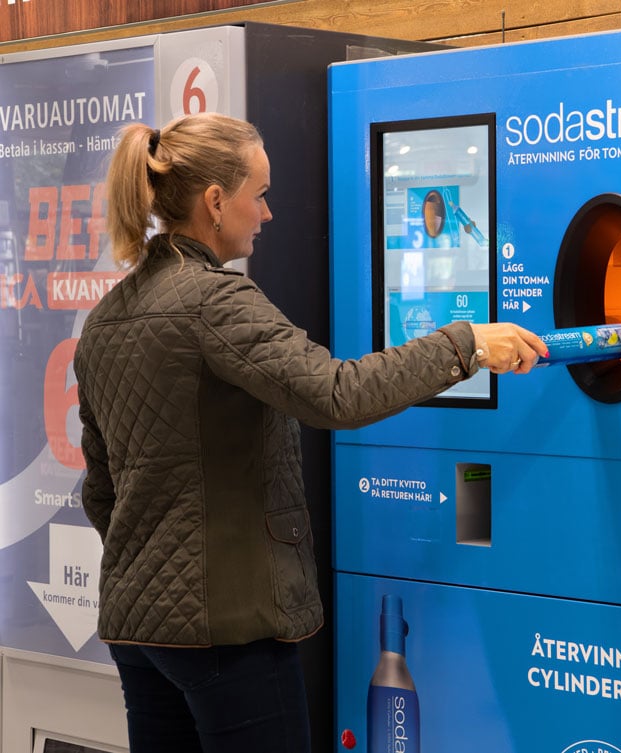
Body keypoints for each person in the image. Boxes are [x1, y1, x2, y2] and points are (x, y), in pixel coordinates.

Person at [73, 112, 547, 753]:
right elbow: (336, 393)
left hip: (140, 631)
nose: (267, 214)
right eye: (259, 195)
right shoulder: (215, 301)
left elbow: (99, 490)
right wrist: (466, 343)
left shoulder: (106, 318)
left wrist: (160, 560)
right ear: (215, 203)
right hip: (228, 631)